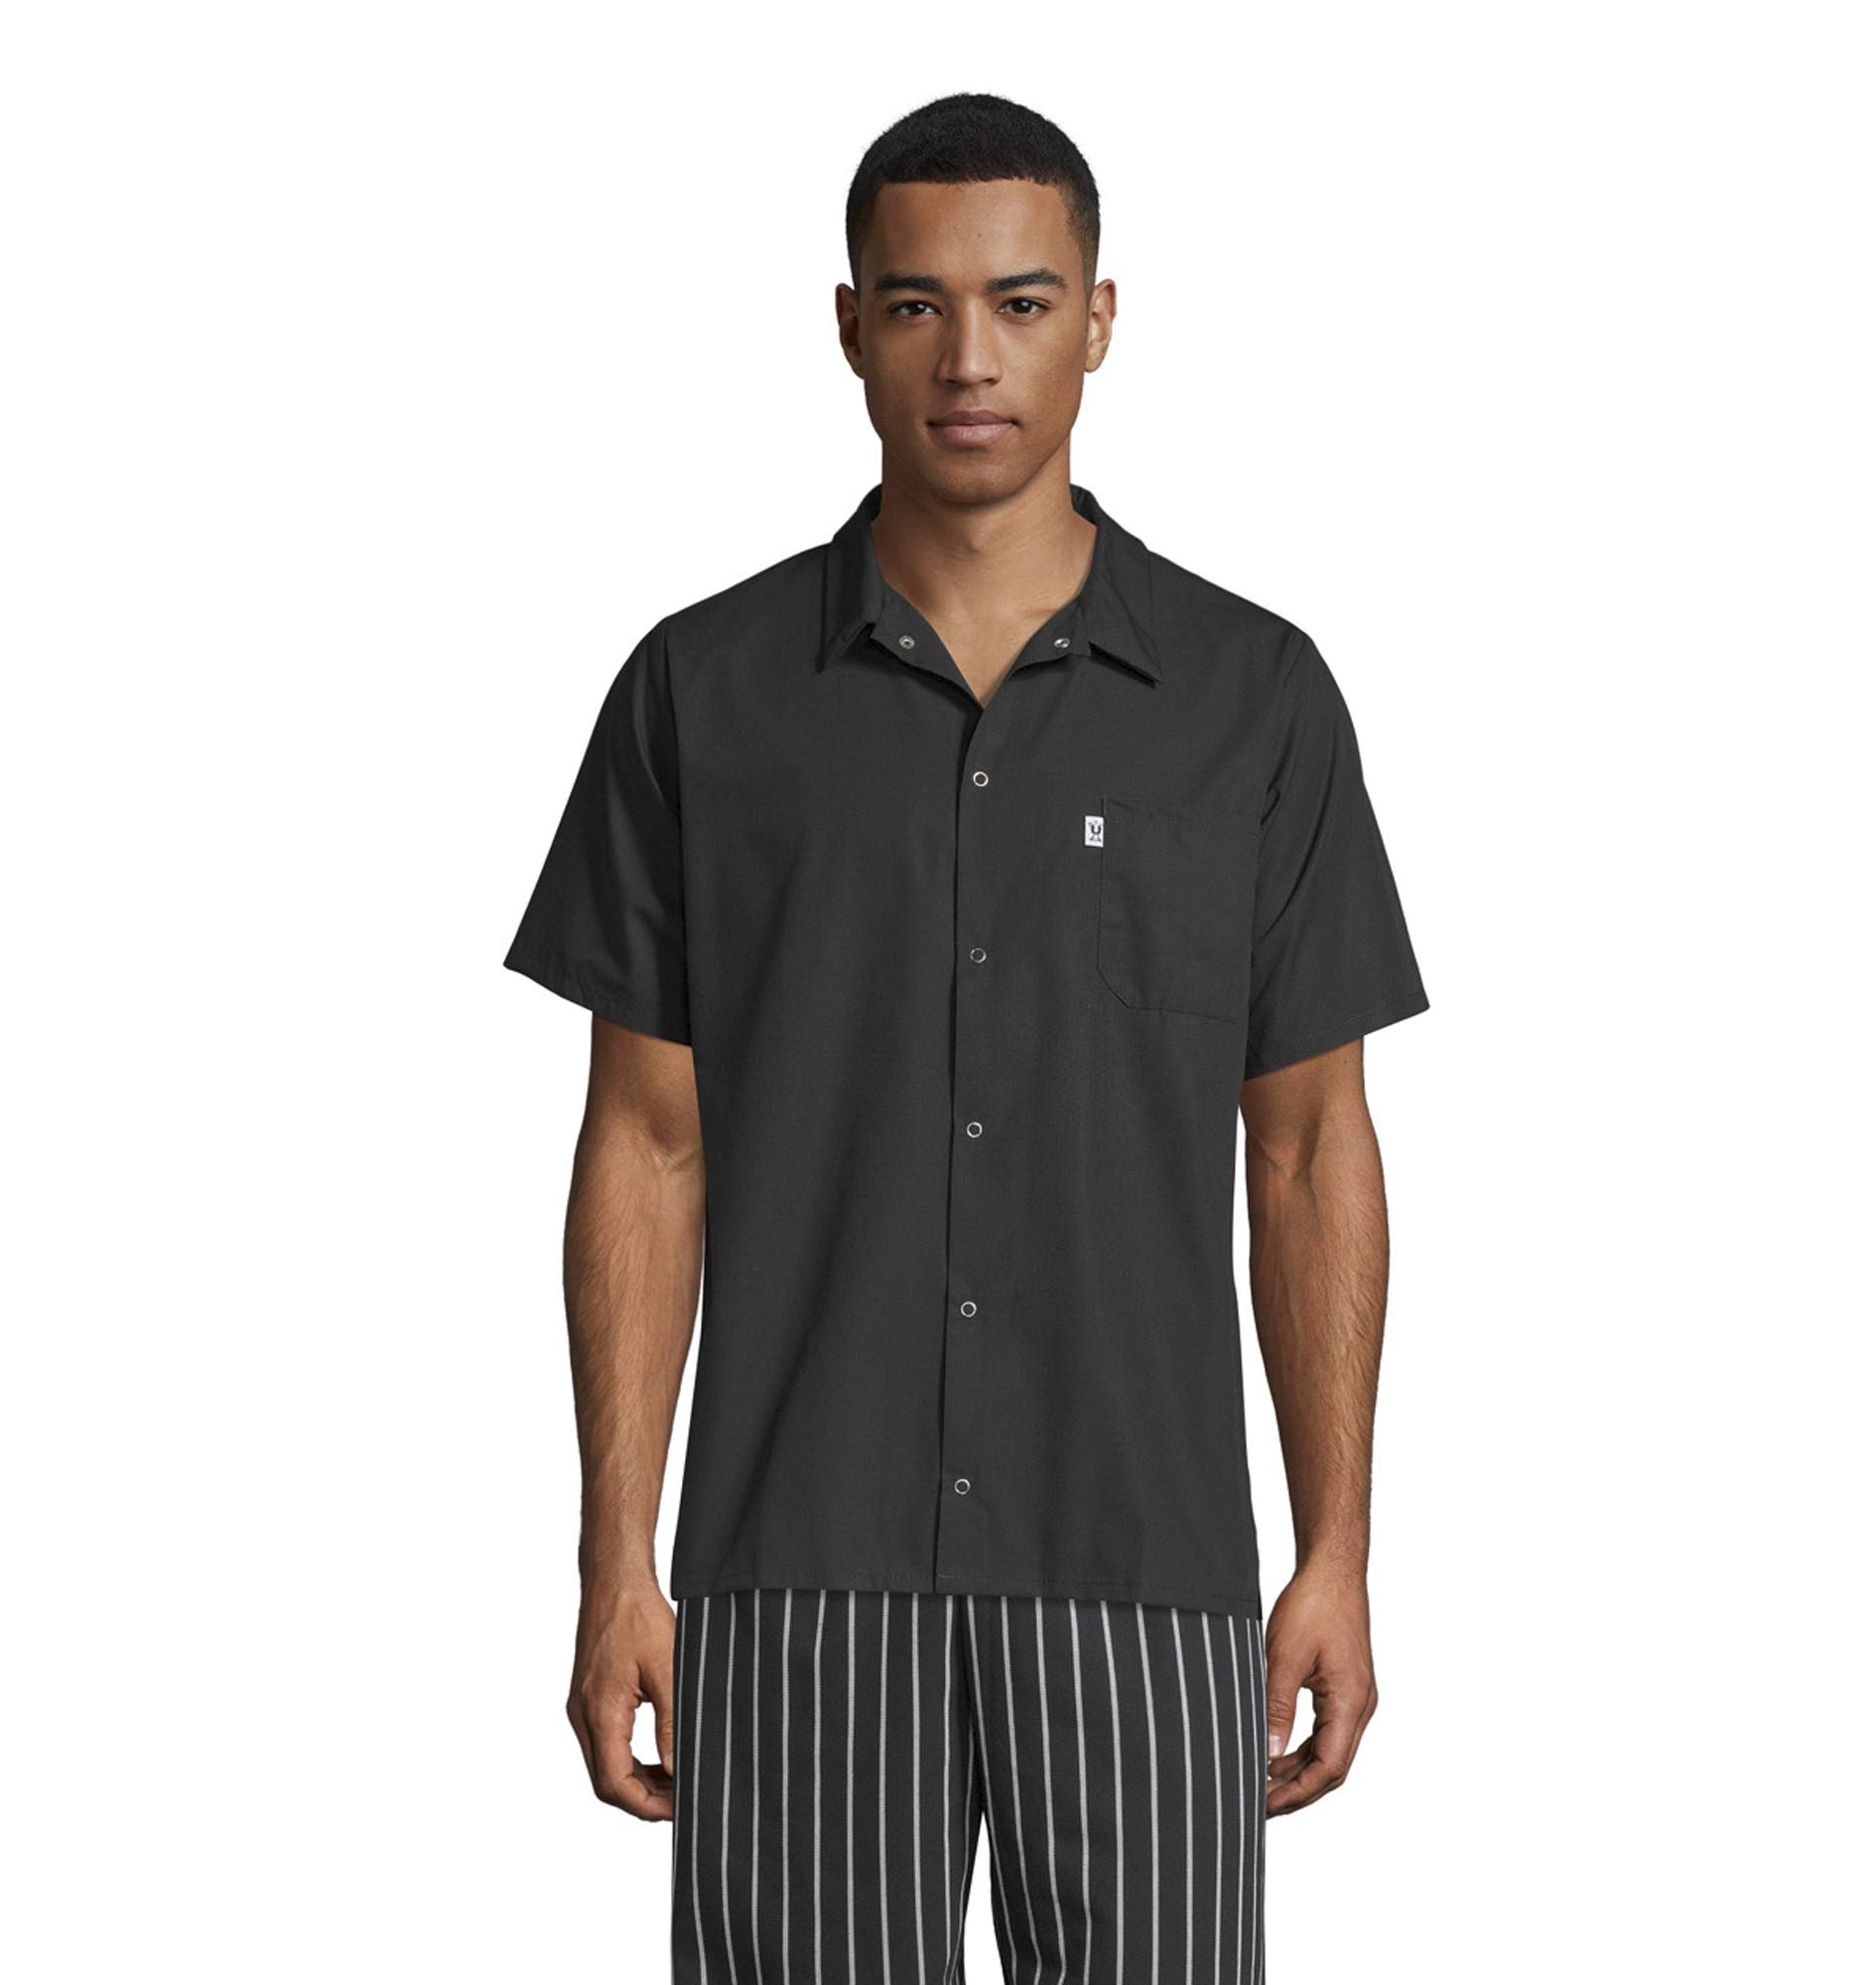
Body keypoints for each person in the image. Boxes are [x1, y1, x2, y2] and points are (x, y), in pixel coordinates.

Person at [504, 89, 1428, 1984]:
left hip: (1148, 1572)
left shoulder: (1254, 698)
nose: (972, 360)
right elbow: (646, 1145)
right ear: (850, 325)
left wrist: (1335, 1545)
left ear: (1101, 319)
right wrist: (614, 1561)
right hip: (797, 1573)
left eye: (1022, 302)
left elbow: (1308, 1145)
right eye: (919, 306)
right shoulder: (701, 692)